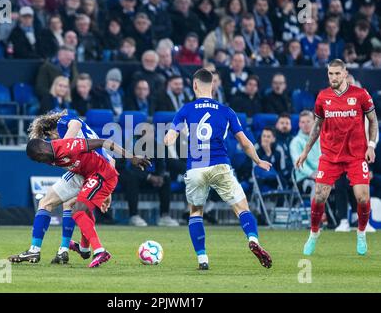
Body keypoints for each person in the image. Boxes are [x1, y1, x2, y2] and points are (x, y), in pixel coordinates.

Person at [164, 68, 272, 270]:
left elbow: (170, 137)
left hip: (196, 168)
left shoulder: (185, 110)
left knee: (195, 212)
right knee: (242, 208)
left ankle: (202, 259)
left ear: (194, 85)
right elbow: (245, 142)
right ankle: (253, 240)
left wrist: (169, 138)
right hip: (220, 165)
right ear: (212, 85)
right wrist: (258, 160)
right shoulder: (226, 111)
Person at [10, 135, 150, 268]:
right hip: (85, 175)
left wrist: (131, 158)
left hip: (102, 174)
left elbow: (103, 142)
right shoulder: (50, 155)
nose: (40, 162)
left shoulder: (68, 146)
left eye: (37, 159)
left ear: (41, 151)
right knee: (58, 204)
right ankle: (76, 248)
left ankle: (100, 251)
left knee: (77, 210)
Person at [296, 59, 378, 256]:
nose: (333, 77)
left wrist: (371, 146)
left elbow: (373, 120)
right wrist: (306, 151)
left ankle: (360, 233)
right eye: (330, 74)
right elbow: (317, 126)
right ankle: (314, 234)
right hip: (330, 155)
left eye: (337, 74)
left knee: (362, 197)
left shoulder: (360, 94)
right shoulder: (323, 97)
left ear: (345, 73)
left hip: (356, 155)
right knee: (319, 196)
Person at [10, 111, 114, 265]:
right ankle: (65, 250)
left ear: (50, 131)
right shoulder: (78, 139)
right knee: (62, 204)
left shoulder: (64, 122)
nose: (51, 141)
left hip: (91, 171)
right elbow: (111, 159)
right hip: (92, 171)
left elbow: (76, 123)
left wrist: (64, 144)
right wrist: (108, 191)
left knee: (50, 203)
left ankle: (39, 250)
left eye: (49, 138)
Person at [118, 123, 179, 227]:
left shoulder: (156, 145)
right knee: (132, 177)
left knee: (166, 178)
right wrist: (149, 177)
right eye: (148, 132)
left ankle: (164, 216)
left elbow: (161, 164)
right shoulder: (131, 144)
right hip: (129, 177)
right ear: (141, 134)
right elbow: (129, 167)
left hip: (147, 178)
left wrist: (160, 176)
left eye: (152, 132)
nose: (151, 135)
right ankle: (134, 216)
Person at [290, 110, 321, 194]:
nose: (305, 124)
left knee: (344, 182)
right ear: (299, 124)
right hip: (304, 178)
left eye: (308, 121)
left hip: (321, 174)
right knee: (318, 186)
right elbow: (298, 163)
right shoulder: (295, 142)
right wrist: (312, 173)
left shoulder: (320, 138)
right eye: (302, 122)